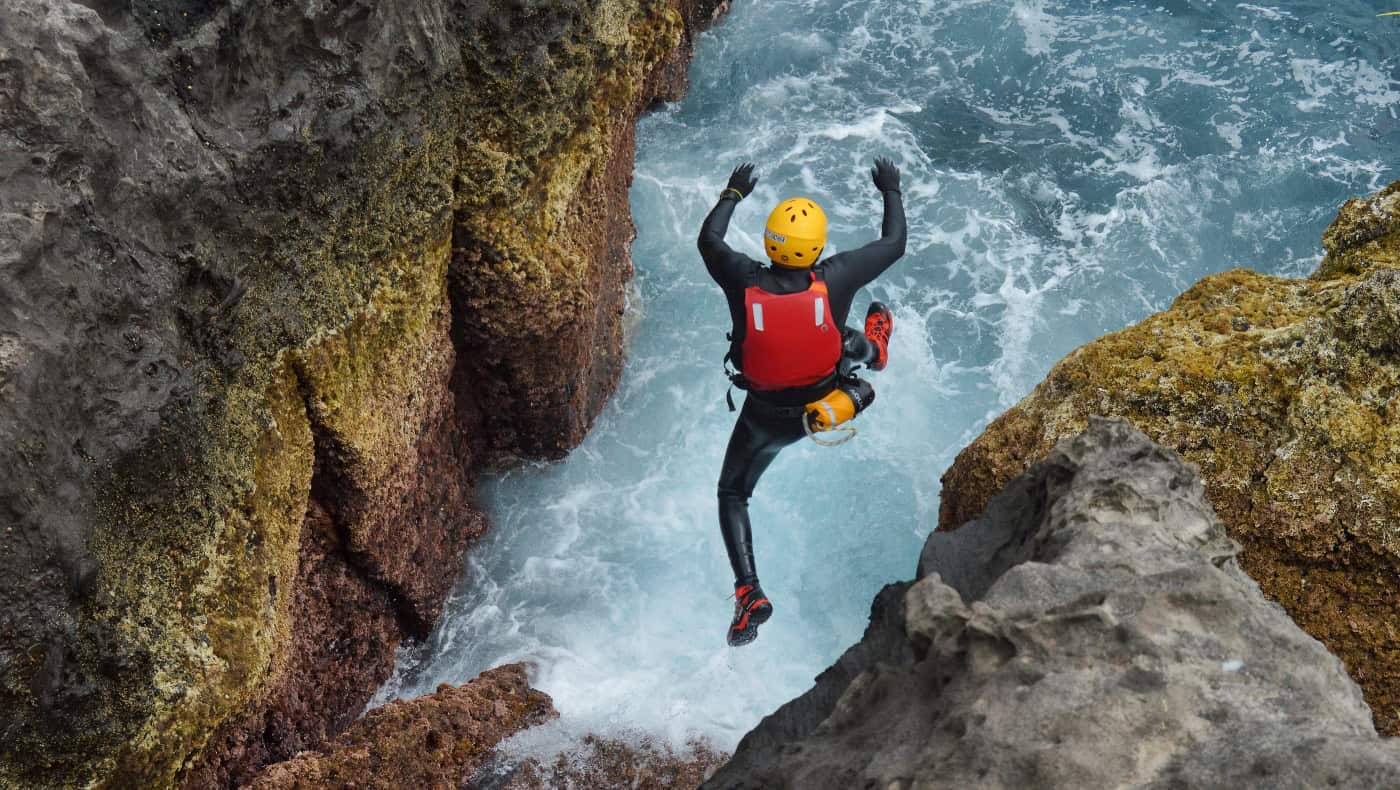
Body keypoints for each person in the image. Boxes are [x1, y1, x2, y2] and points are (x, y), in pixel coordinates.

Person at [697, 157, 907, 646]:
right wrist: (889, 188)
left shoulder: (742, 277)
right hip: (825, 401)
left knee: (733, 494)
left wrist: (733, 192)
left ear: (771, 242)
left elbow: (710, 240)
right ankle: (875, 355)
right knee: (845, 339)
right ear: (817, 247)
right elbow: (894, 243)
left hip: (765, 420)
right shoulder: (835, 277)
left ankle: (749, 590)